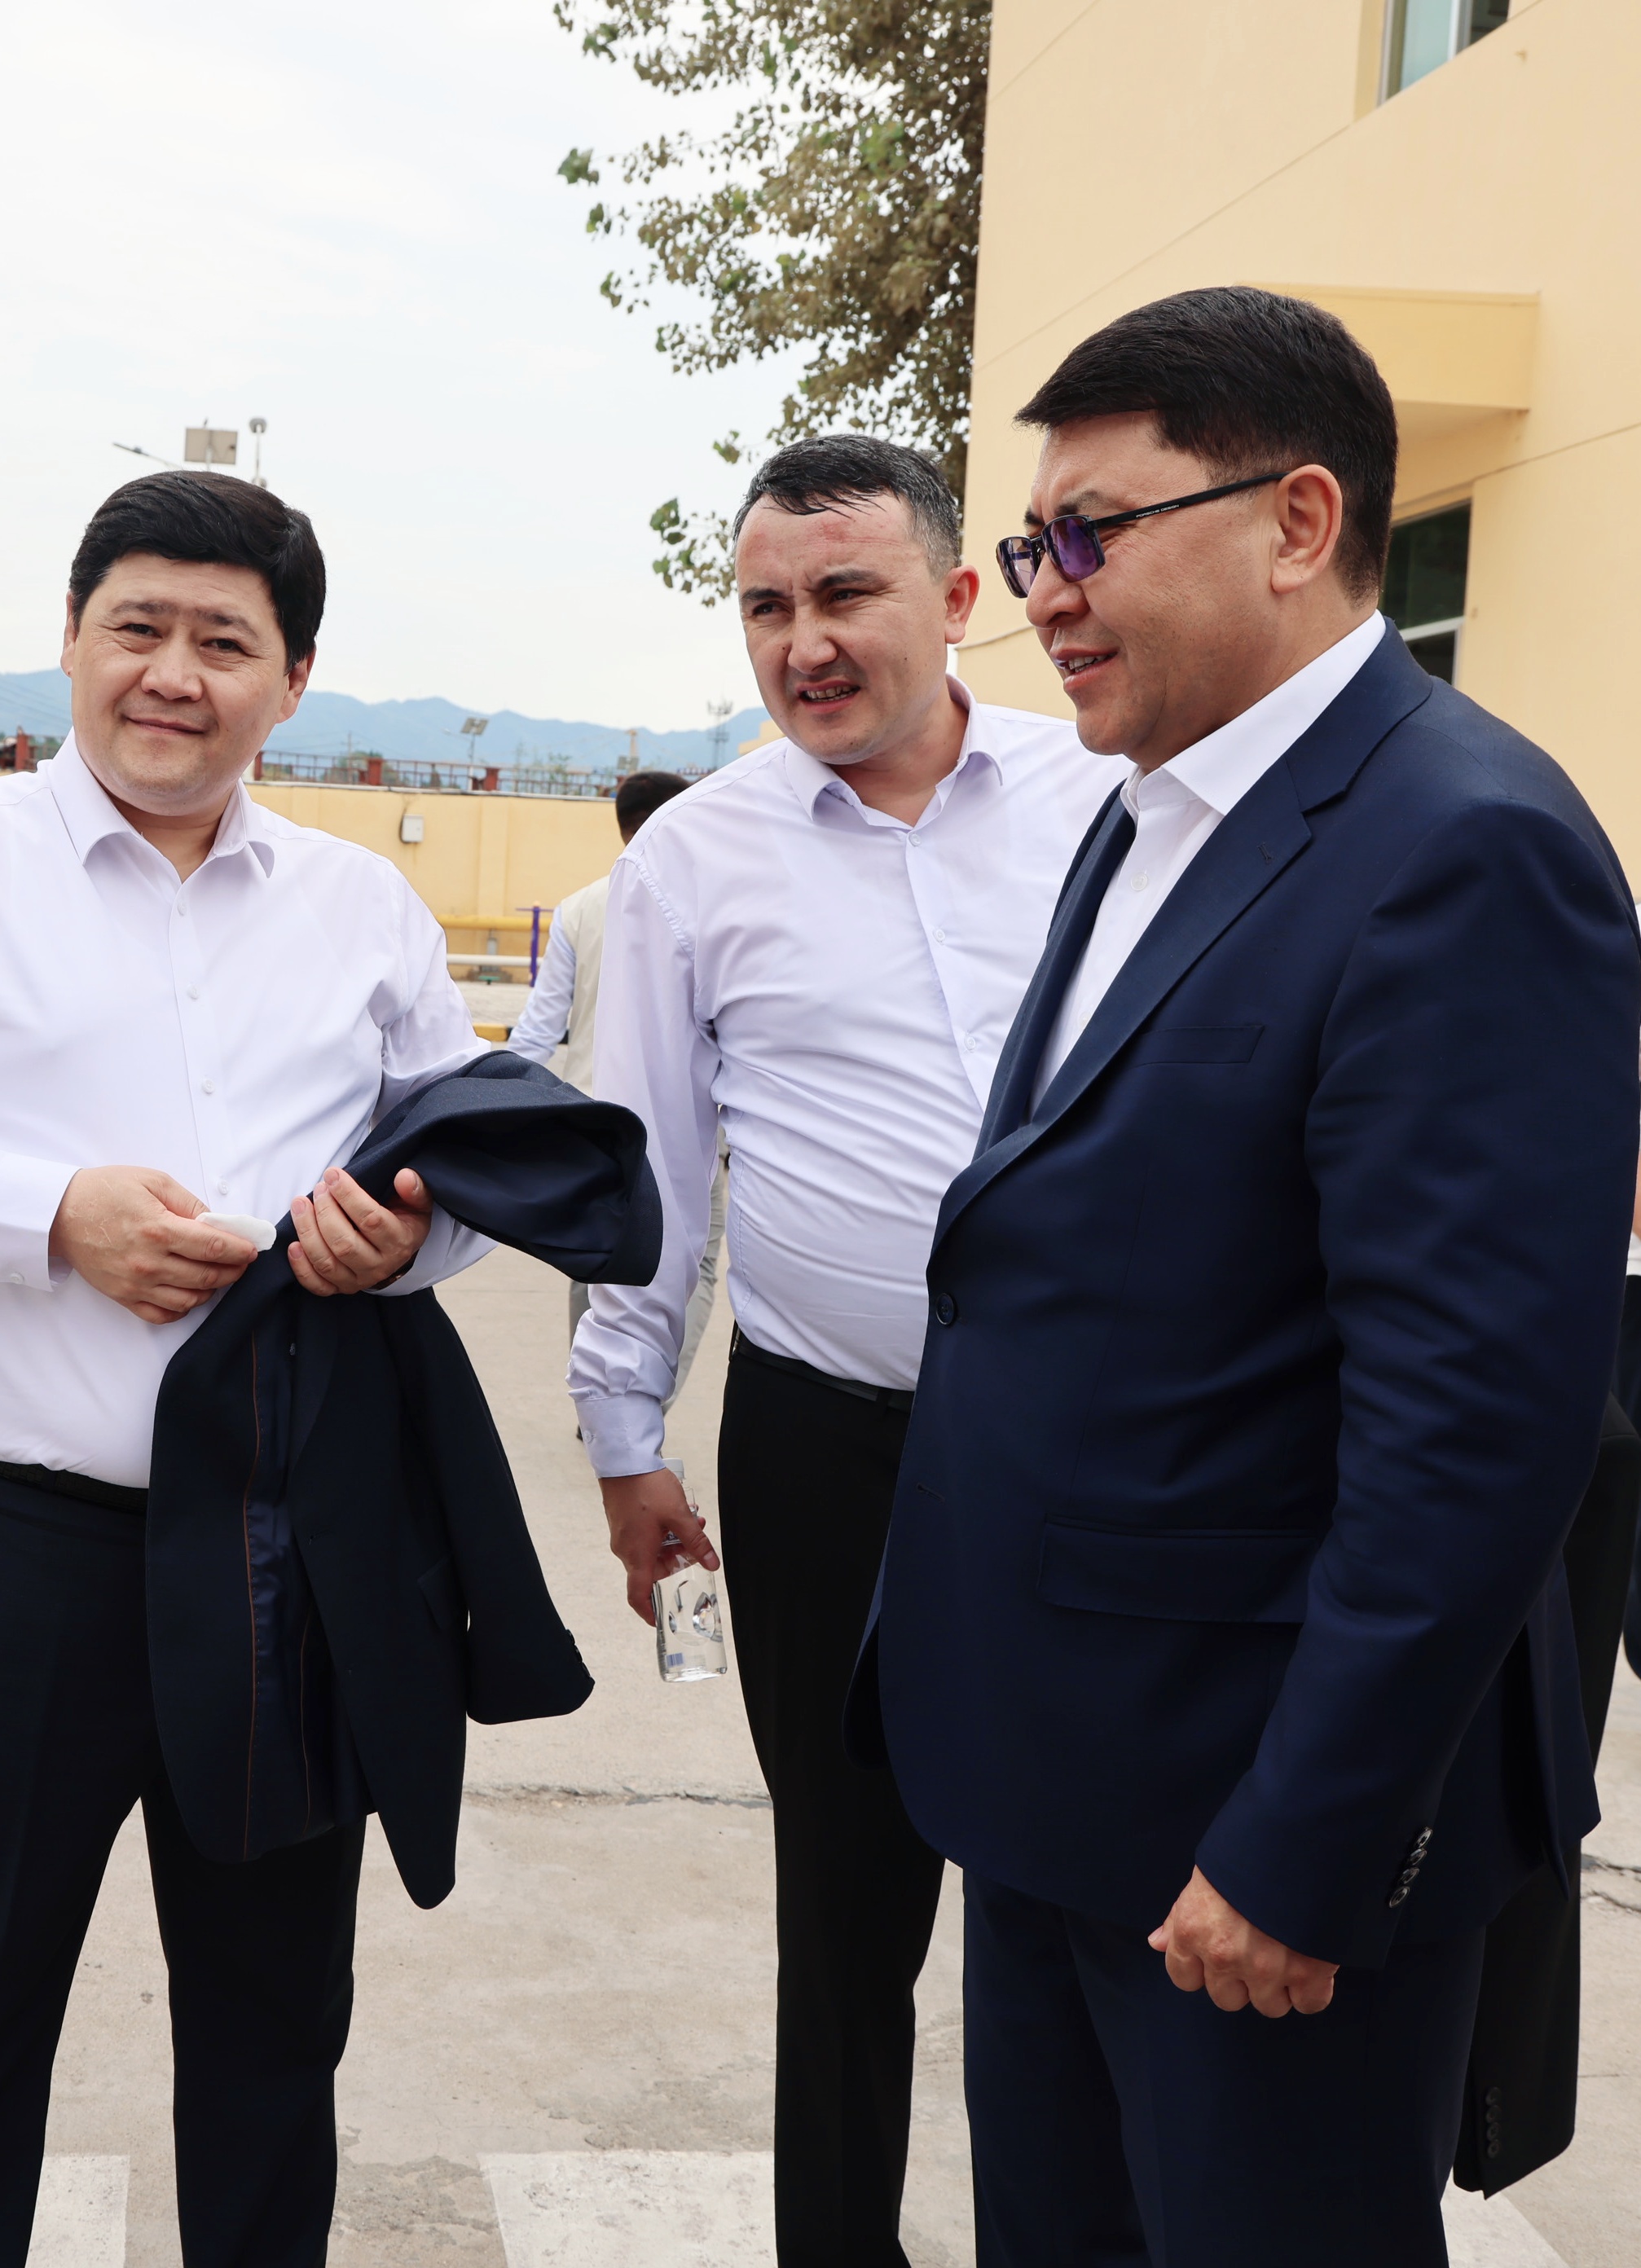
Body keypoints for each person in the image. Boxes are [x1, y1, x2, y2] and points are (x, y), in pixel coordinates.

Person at [862, 288, 1636, 2266]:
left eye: (1092, 532)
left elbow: (1474, 1430)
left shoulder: (1462, 847)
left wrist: (1306, 1843)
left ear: (1298, 522)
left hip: (1254, 1842)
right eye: (1033, 544)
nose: (1046, 591)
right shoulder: (1155, 811)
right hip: (1064, 1782)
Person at [0, 472, 495, 2266]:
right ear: (70, 639)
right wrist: (47, 1214)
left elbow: (462, 1170)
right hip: (14, 1553)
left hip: (284, 1551)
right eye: (137, 626)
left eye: (225, 640)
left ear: (292, 679)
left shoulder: (361, 909)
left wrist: (406, 1239)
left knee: (273, 2026)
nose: (173, 673)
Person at [572, 434, 1123, 2268]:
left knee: (1094, 1882)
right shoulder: (693, 861)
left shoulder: (1106, 800)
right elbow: (652, 1174)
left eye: (843, 594)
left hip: (1099, 1445)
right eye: (765, 606)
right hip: (827, 1454)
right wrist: (626, 1438)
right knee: (846, 1900)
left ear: (957, 601)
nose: (801, 642)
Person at [509, 768, 724, 1397]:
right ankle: (647, 1404)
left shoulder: (581, 906)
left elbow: (537, 1031)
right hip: (691, 1128)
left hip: (596, 1125)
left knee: (597, 1264)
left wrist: (510, 1117)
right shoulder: (714, 904)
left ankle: (599, 1400)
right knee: (695, 1265)